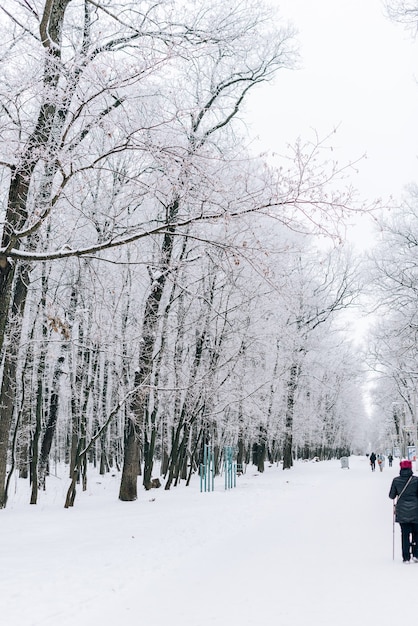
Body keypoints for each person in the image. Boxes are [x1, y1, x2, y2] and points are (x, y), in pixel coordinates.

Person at [389, 459, 418, 563]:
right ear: (410, 468)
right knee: (416, 533)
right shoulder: (416, 480)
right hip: (416, 511)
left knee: (404, 534)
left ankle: (406, 557)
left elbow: (391, 496)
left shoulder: (396, 480)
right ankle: (416, 554)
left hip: (402, 512)